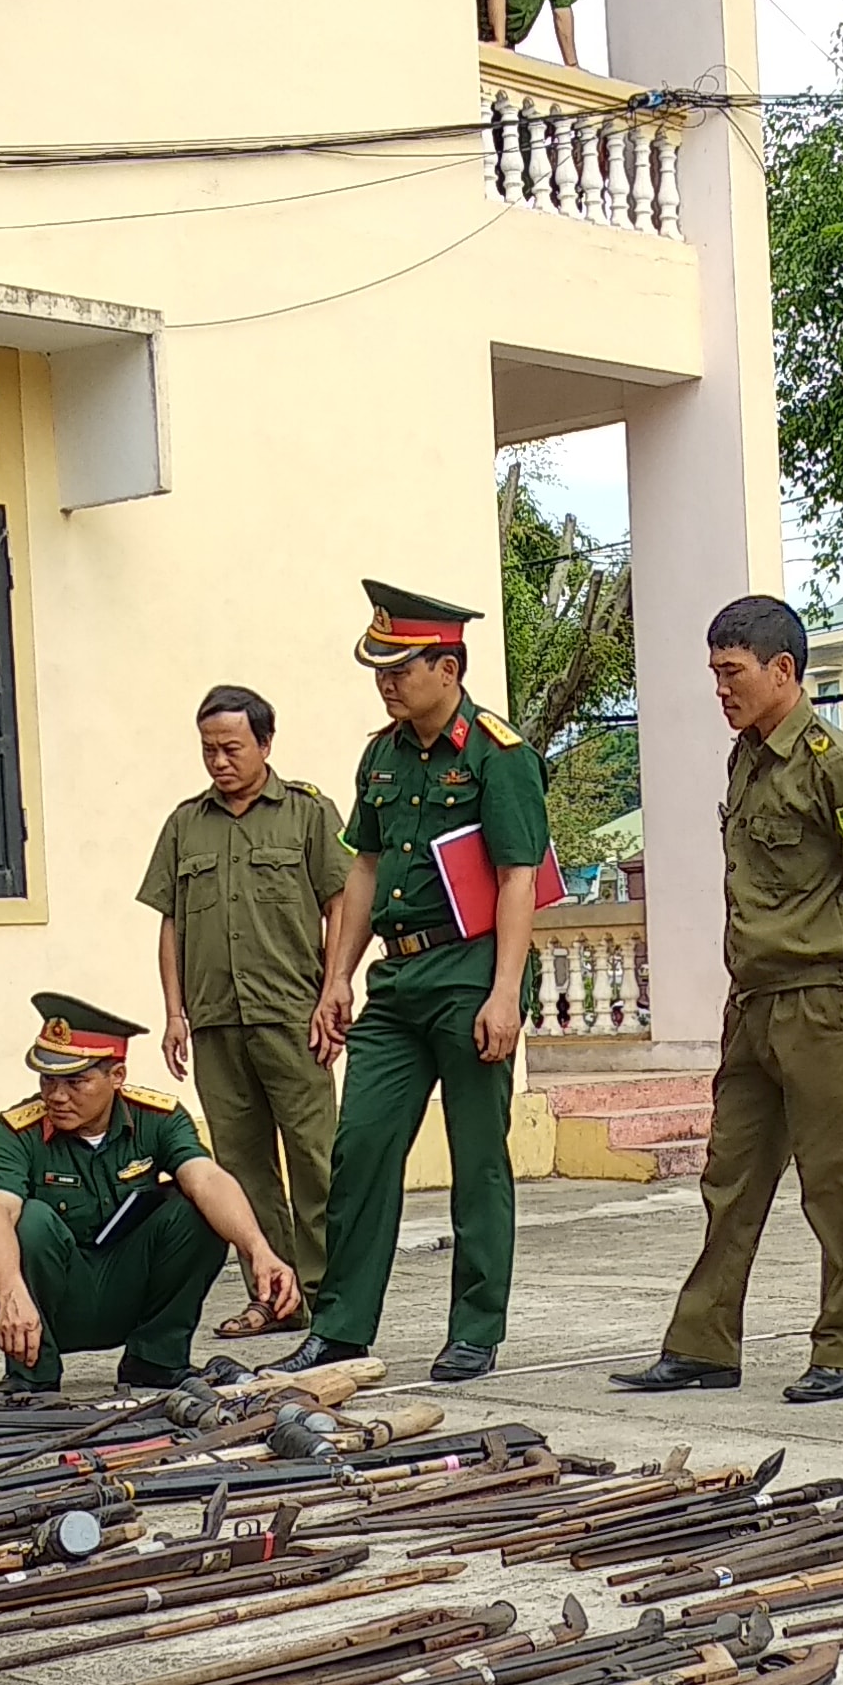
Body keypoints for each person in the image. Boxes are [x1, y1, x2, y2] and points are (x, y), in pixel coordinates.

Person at [611, 596, 843, 1405]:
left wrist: (814, 937)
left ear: (784, 670)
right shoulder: (745, 757)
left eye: (732, 673)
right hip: (752, 1002)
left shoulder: (835, 766)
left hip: (821, 999)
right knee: (730, 1177)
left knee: (832, 1180)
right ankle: (704, 1345)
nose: (721, 691)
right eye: (713, 675)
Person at [275, 582, 552, 1385]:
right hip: (397, 980)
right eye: (380, 668)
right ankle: (343, 1328)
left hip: (470, 971)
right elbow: (362, 867)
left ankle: (474, 1328)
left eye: (402, 667)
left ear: (448, 666)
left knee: (477, 1157)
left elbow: (516, 879)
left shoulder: (497, 756)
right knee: (360, 1147)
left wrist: (505, 993)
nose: (388, 682)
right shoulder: (381, 755)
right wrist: (338, 977)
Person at [140, 684, 355, 1338]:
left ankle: (330, 1304)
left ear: (265, 743)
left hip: (294, 1016)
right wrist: (174, 1013)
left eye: (232, 748)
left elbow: (341, 904)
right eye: (208, 750)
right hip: (215, 1022)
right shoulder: (185, 824)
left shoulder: (308, 814)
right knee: (241, 1170)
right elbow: (171, 923)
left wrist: (334, 990)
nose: (219, 762)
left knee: (316, 1165)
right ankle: (273, 1294)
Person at [0, 994, 308, 1393]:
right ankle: (30, 1377)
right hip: (44, 1307)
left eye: (76, 1082)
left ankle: (157, 1358)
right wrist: (10, 1292)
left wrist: (259, 1251)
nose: (57, 1096)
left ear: (117, 1076)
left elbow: (206, 1179)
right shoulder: (15, 1132)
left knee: (196, 1209)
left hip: (127, 1287)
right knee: (28, 1222)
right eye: (48, 1080)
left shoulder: (158, 1118)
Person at [477, 0, 582, 63]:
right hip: (475, 35)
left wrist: (572, 64)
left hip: (507, 45)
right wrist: (499, 41)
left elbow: (562, 8)